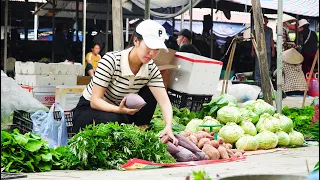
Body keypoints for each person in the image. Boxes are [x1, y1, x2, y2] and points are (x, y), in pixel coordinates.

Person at [72, 19, 178, 144]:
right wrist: (119, 110)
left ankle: (140, 129)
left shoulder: (151, 68)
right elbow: (95, 101)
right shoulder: (111, 61)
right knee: (116, 121)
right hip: (89, 109)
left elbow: (165, 102)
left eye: (157, 49)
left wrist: (168, 126)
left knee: (150, 91)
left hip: (121, 110)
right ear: (136, 41)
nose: (152, 53)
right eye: (149, 47)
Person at [251, 16, 275, 81]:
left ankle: (266, 79)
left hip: (268, 50)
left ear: (267, 22)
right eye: (263, 21)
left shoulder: (270, 30)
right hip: (259, 50)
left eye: (266, 21)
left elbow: (271, 40)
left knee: (267, 65)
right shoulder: (257, 30)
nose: (264, 22)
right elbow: (254, 40)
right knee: (258, 65)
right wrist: (252, 50)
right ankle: (257, 79)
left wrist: (273, 50)